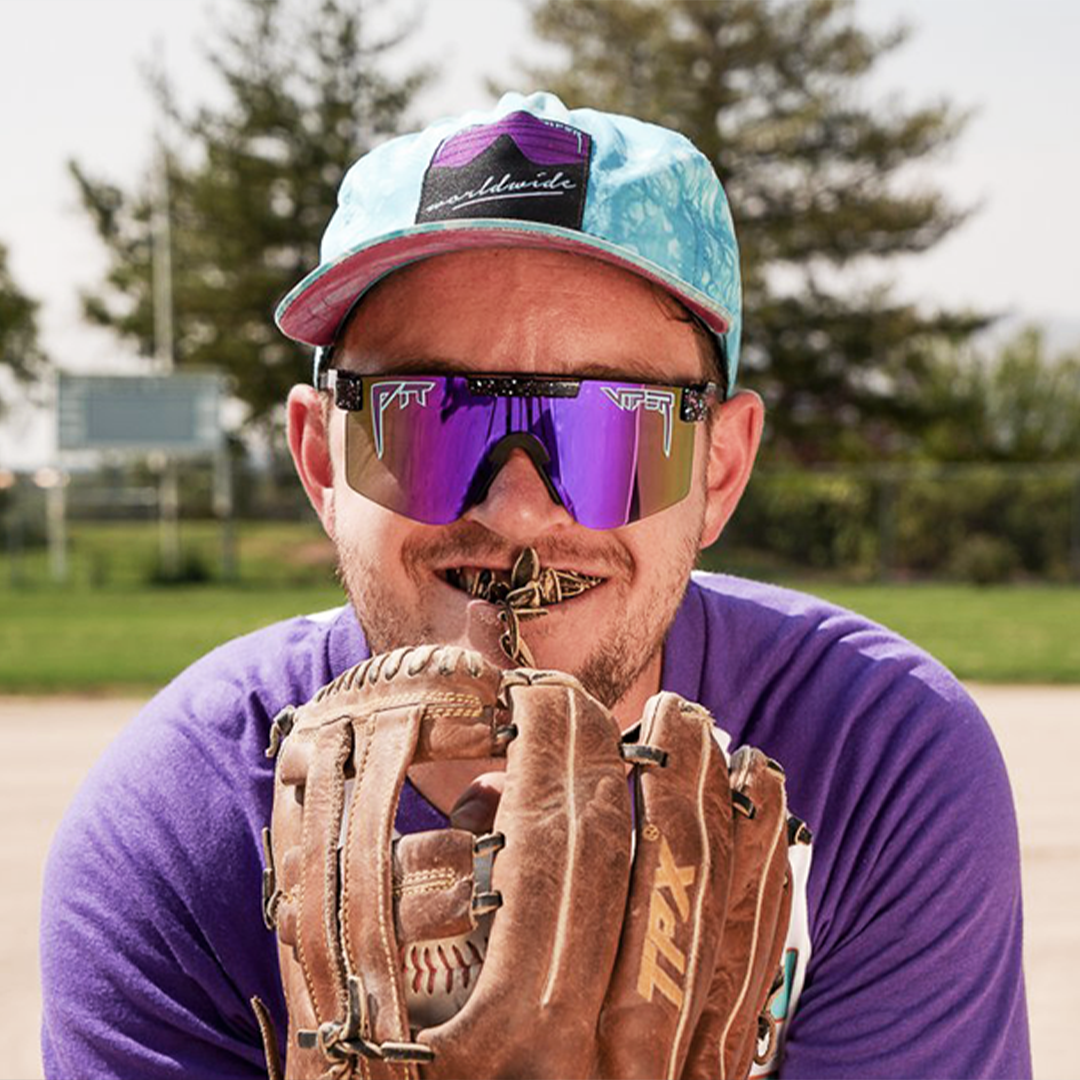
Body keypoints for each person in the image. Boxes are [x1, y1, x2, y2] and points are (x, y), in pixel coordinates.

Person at [40, 92, 1030, 1079]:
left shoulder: (874, 759)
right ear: (322, 462)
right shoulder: (177, 832)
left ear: (721, 471)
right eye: (428, 421)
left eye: (612, 432)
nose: (518, 511)